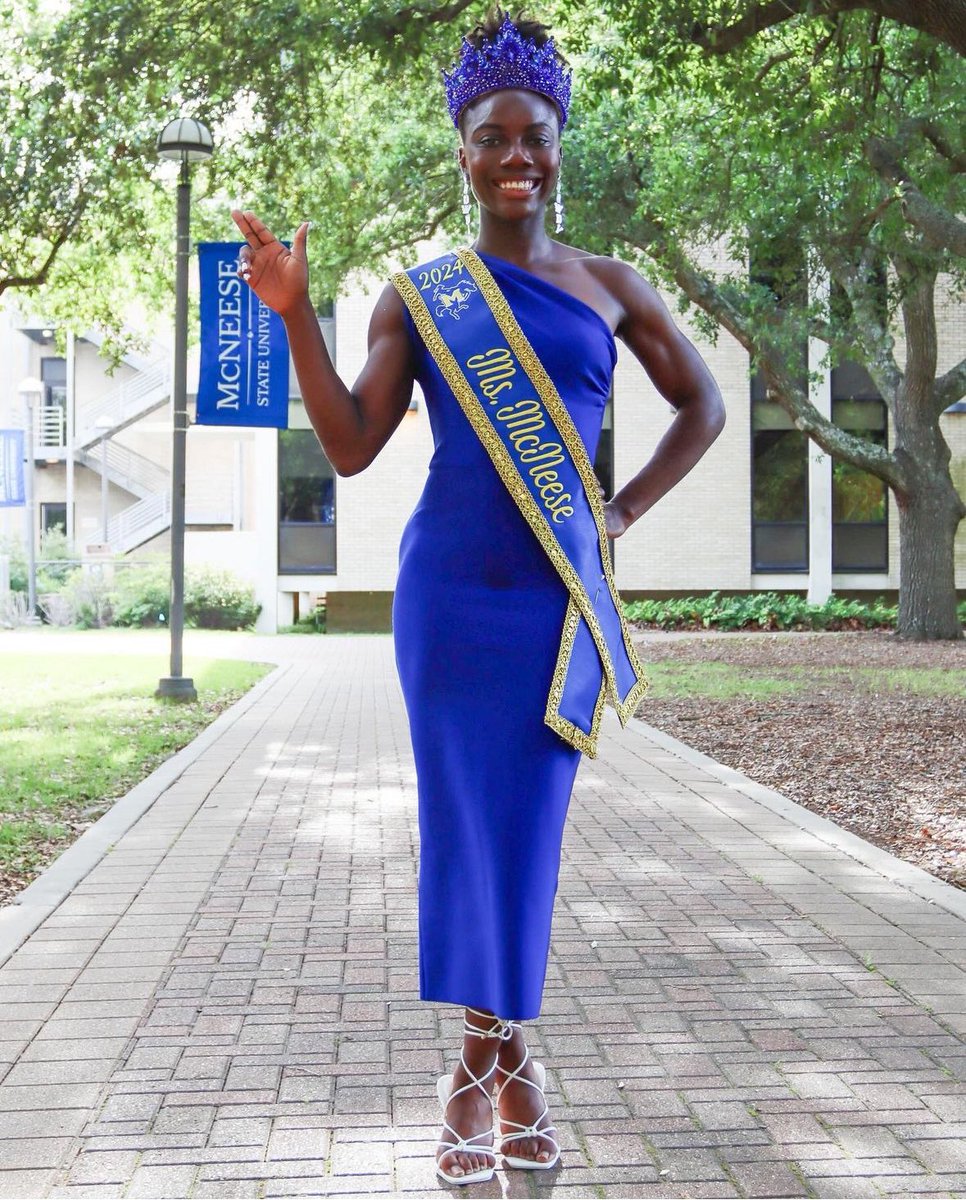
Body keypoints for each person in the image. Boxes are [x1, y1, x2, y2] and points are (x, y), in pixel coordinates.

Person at [232, 7, 725, 1185]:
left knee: (531, 835)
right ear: (463, 149)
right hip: (451, 596)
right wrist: (296, 315)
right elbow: (350, 446)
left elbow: (702, 408)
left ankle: (481, 1072)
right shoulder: (423, 295)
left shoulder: (612, 285)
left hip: (552, 597)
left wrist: (621, 512)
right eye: (493, 136)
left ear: (561, 144)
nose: (517, 157)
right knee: (464, 830)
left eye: (536, 134)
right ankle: (506, 1069)